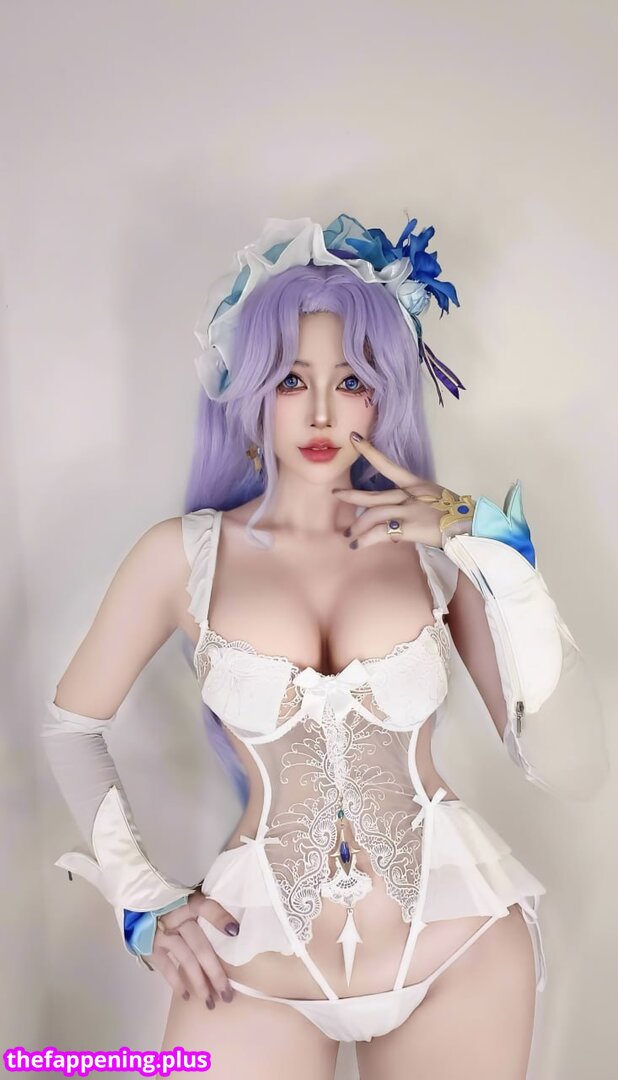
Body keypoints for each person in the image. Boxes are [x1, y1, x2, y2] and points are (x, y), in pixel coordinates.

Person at [42, 214, 609, 1078]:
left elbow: (575, 767)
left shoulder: (437, 554)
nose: (318, 411)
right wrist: (142, 901)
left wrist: (499, 558)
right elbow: (71, 727)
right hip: (253, 959)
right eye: (290, 379)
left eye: (350, 381)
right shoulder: (181, 557)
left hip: (460, 944)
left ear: (383, 394)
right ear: (248, 389)